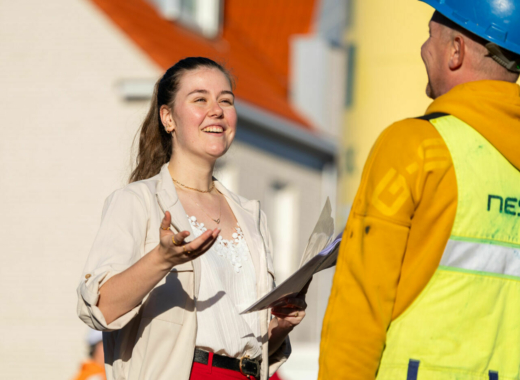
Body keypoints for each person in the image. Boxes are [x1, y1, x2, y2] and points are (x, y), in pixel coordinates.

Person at [319, 0, 520, 379]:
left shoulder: (415, 147)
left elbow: (362, 300)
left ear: (456, 50)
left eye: (431, 36)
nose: (424, 49)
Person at [77, 57, 308, 380]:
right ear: (168, 118)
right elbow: (99, 309)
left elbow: (245, 343)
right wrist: (161, 258)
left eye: (225, 100)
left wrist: (281, 326)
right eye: (200, 99)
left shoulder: (251, 215)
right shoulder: (137, 201)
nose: (217, 110)